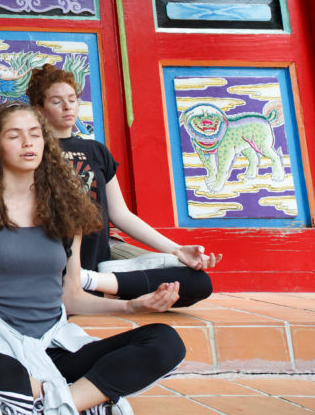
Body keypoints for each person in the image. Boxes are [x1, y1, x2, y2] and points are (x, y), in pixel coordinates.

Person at [0, 102, 186, 415]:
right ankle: (90, 403)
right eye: (15, 135)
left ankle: (30, 411)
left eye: (35, 134)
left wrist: (132, 306)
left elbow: (70, 297)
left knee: (165, 341)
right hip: (1, 342)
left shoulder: (65, 210)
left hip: (57, 343)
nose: (28, 143)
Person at [26, 65, 221, 308]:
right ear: (39, 109)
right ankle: (93, 288)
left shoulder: (97, 151)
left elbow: (120, 214)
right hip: (55, 259)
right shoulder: (32, 151)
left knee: (198, 282)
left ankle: (91, 283)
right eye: (57, 101)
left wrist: (177, 250)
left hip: (100, 260)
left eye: (72, 99)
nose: (68, 107)